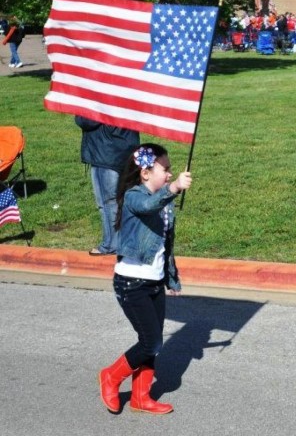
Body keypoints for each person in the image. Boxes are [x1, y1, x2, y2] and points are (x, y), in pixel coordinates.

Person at [99, 143, 192, 415]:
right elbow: (149, 204)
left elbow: (166, 245)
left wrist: (170, 279)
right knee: (151, 342)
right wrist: (173, 188)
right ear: (145, 173)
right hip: (131, 283)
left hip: (153, 282)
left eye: (170, 170)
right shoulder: (134, 197)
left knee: (152, 341)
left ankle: (141, 396)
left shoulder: (164, 204)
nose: (169, 174)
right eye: (165, 169)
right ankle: (111, 376)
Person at [76, 117, 140, 256]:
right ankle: (128, 242)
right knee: (126, 200)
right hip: (129, 150)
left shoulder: (99, 95)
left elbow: (85, 121)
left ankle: (111, 245)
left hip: (105, 153)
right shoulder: (128, 95)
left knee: (107, 202)